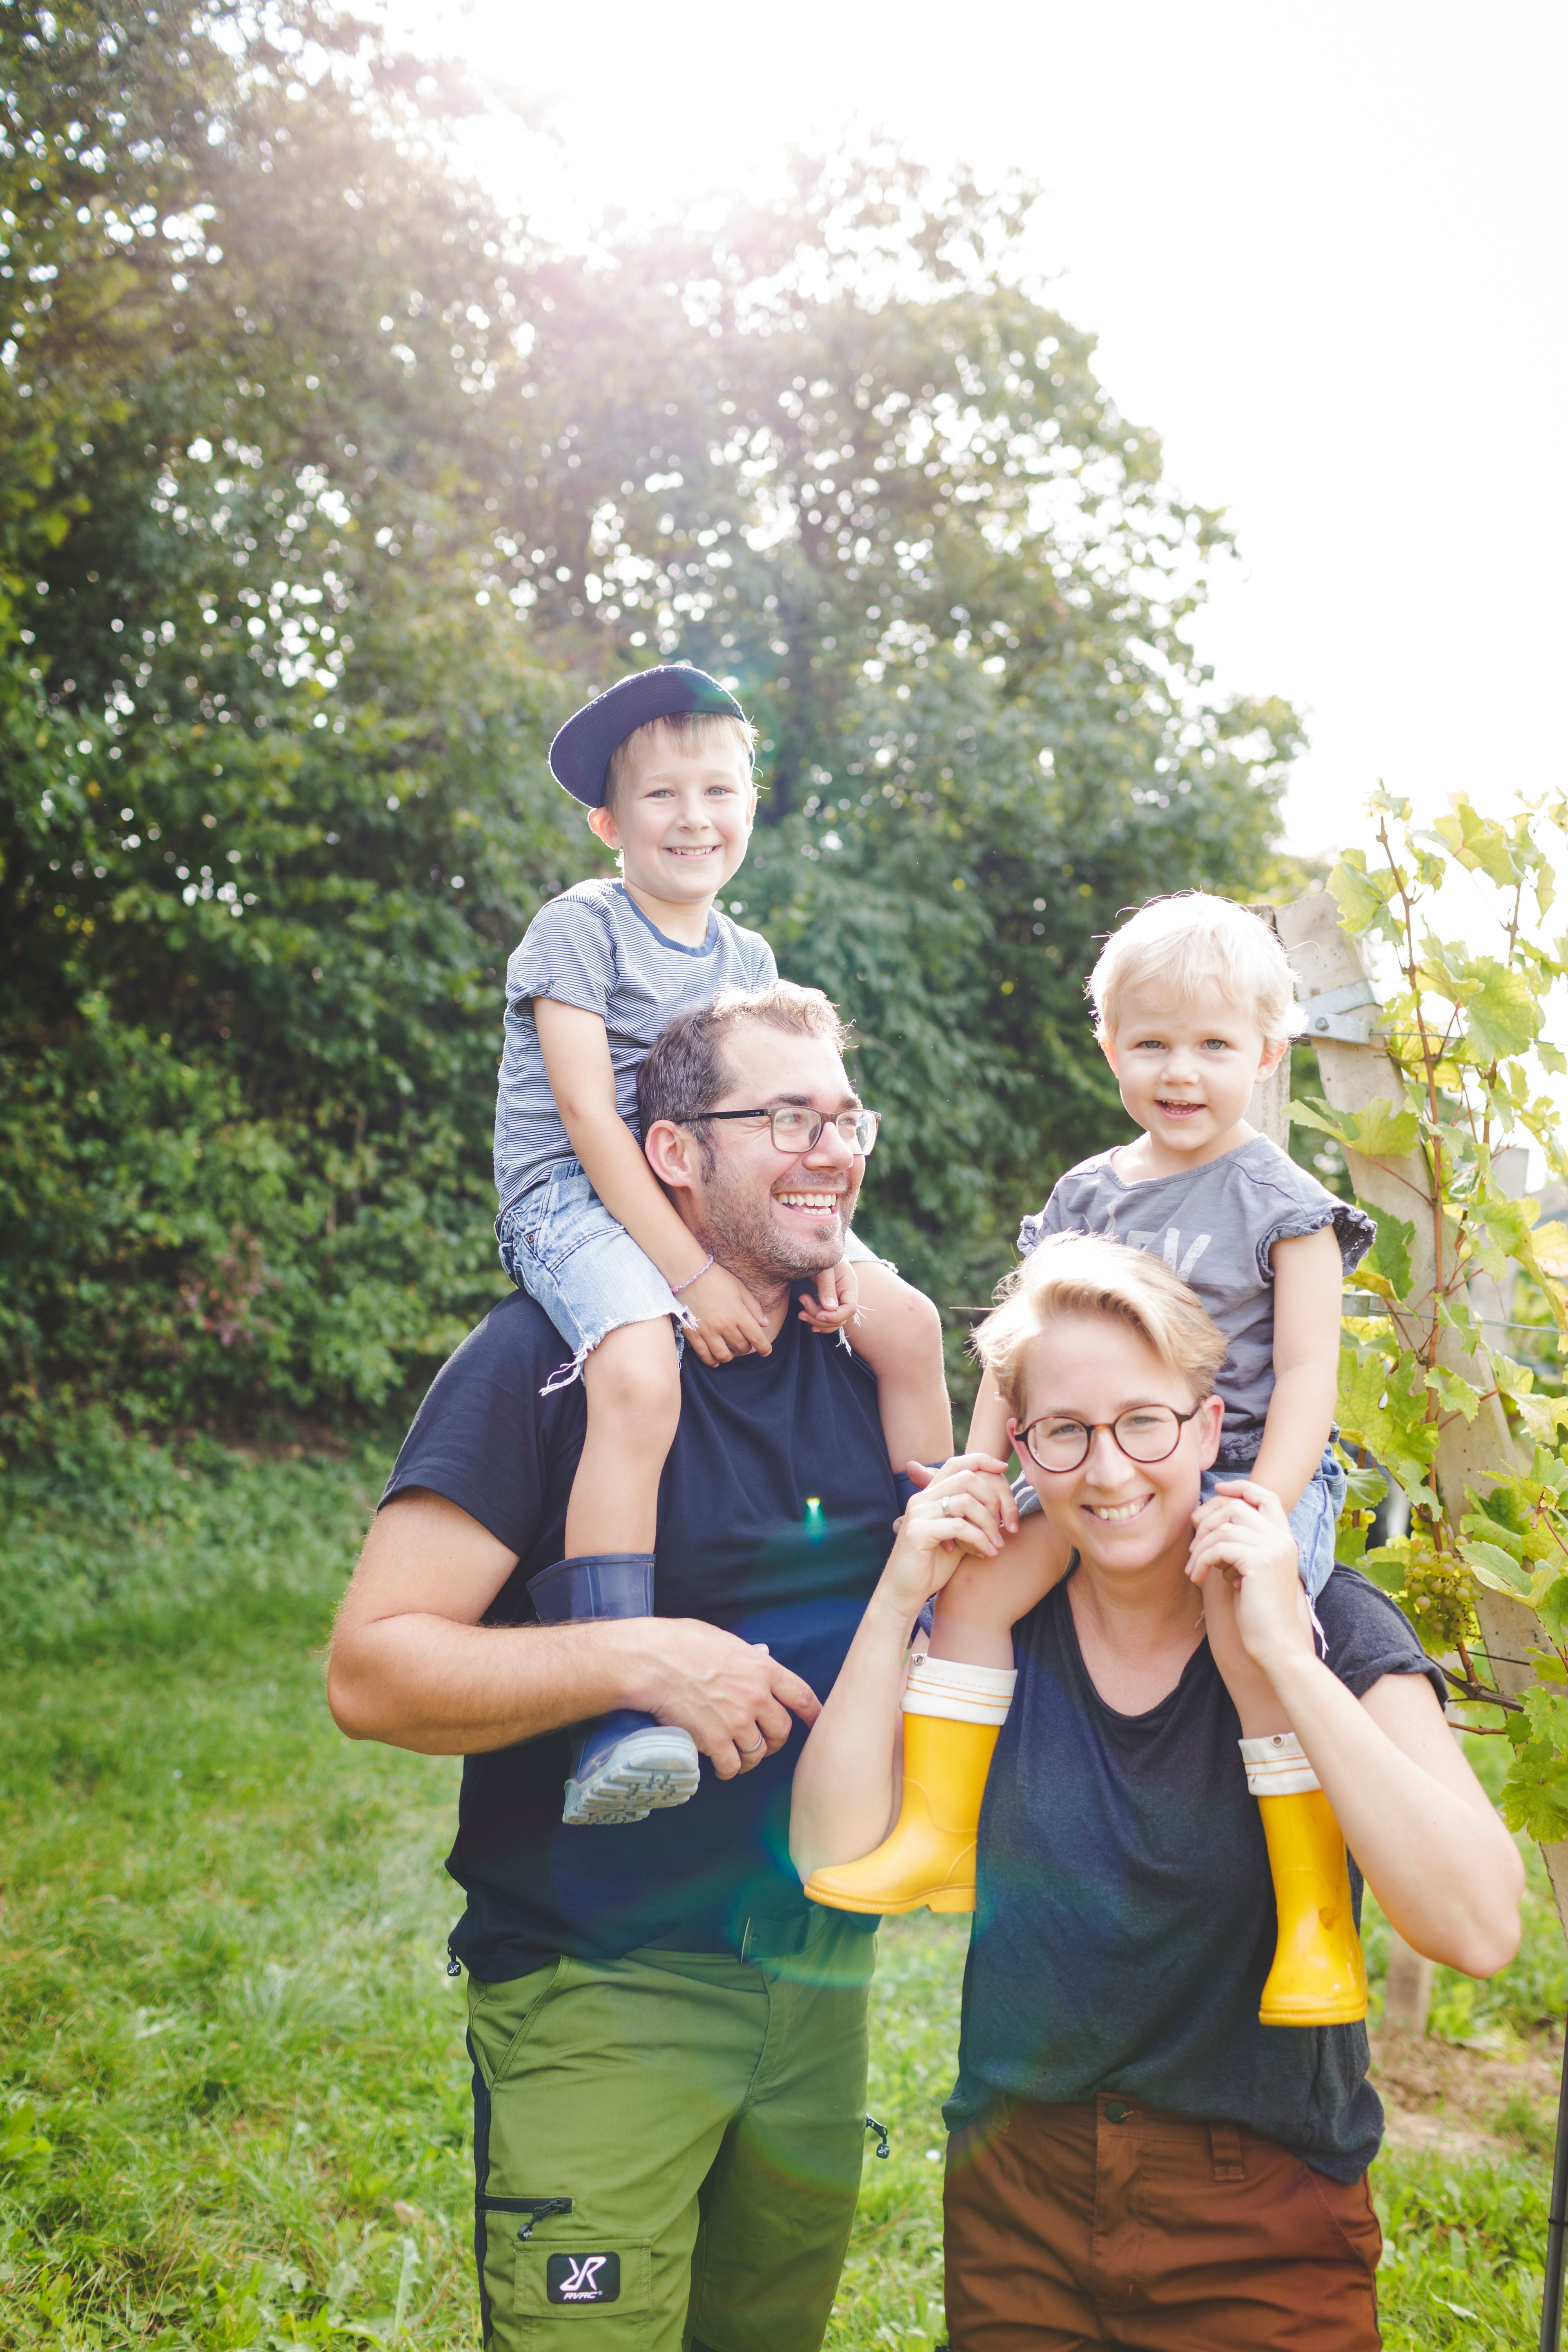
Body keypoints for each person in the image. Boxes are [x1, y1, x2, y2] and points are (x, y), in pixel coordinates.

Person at [328, 980, 951, 2352]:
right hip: (598, 1988)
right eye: (786, 1116)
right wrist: (640, 1656)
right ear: (676, 1150)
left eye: (846, 1117)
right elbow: (373, 1672)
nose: (832, 1149)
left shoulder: (873, 1355)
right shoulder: (554, 1356)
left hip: (820, 1979)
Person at [789, 1233, 1523, 2351]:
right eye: (1064, 1433)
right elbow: (832, 1855)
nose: (1109, 1469)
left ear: (1208, 1424)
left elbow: (1476, 1927)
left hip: (1263, 2211)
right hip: (1018, 2196)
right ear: (1021, 1446)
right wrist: (898, 1605)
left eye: (1143, 1422)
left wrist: (1283, 1661)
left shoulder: (1335, 1625)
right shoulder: (998, 1626)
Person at [807, 894, 1374, 2013]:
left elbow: (1310, 1373)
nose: (1182, 1071)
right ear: (1110, 1045)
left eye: (1214, 1046)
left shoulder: (1286, 1205)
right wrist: (982, 1464)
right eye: (1152, 1042)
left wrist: (1263, 1502)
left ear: (1267, 1054)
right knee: (973, 1585)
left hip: (1242, 1461)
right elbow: (1017, 1347)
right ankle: (940, 1831)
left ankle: (1315, 1923)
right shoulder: (1087, 1194)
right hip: (1084, 1463)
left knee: (1247, 1631)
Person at [495, 662, 947, 1824]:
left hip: (713, 1200)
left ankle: (934, 1624)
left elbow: (781, 1128)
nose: (694, 818)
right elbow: (595, 1118)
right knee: (641, 1374)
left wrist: (833, 1254)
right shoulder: (578, 928)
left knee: (907, 1320)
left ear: (752, 805)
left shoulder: (747, 960)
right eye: (660, 798)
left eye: (719, 791)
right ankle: (618, 1705)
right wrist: (689, 1275)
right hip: (574, 1196)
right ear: (608, 822)